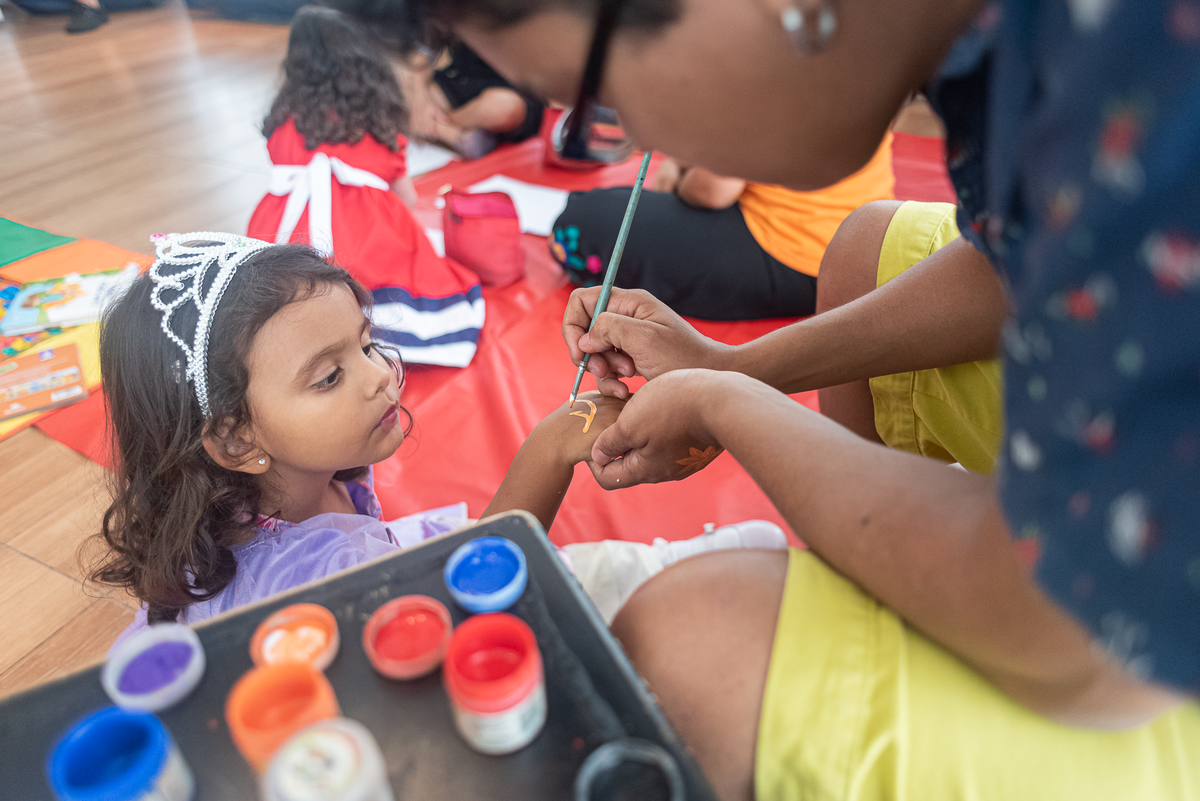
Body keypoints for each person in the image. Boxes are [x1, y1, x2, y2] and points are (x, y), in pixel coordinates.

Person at [336, 0, 1200, 798]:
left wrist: (728, 405)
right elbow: (1013, 265)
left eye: (596, 95)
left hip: (1124, 641)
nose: (630, 138)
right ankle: (891, 585)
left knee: (697, 646)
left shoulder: (1139, 76)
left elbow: (1085, 640)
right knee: (866, 245)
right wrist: (731, 367)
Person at [91, 233, 623, 645]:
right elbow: (464, 611)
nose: (377, 377)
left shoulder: (282, 478)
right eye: (328, 377)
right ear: (235, 442)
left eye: (365, 346)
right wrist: (549, 451)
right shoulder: (316, 582)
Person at [247, 6, 485, 369]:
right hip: (363, 240)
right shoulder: (378, 122)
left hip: (285, 234)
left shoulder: (283, 121)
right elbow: (405, 197)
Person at [549, 137, 894, 320]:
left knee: (576, 225)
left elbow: (711, 192)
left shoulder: (773, 70)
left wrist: (679, 177)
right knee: (601, 202)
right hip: (859, 250)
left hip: (791, 259)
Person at [397, 42, 547, 159]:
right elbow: (425, 52)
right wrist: (419, 100)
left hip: (510, 97)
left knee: (500, 107)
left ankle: (440, 127)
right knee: (396, 81)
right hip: (459, 83)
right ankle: (456, 136)